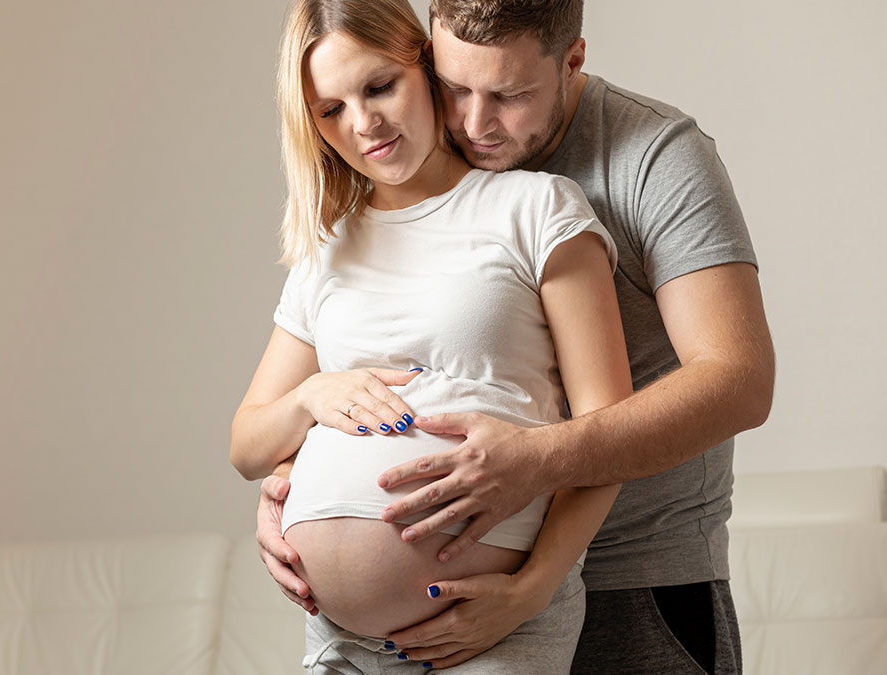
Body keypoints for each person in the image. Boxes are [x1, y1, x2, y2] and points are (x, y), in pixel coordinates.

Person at [254, 1, 775, 673]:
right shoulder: (396, 184)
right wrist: (292, 485)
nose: (474, 124)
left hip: (636, 579)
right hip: (409, 612)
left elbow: (739, 381)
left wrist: (537, 491)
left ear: (572, 61)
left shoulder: (654, 156)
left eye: (510, 95)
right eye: (454, 87)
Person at [231, 0, 634, 671]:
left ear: (425, 66)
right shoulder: (326, 251)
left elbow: (610, 431)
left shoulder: (537, 208)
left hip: (490, 625)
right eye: (331, 109)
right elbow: (247, 445)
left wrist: (533, 590)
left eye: (379, 86)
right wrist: (311, 396)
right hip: (337, 640)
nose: (364, 123)